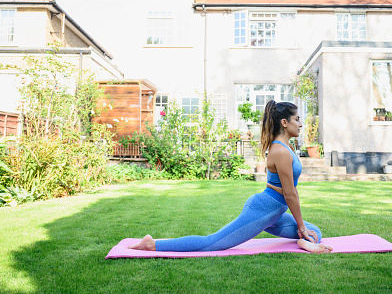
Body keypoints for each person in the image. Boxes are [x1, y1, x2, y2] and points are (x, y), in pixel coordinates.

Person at [129, 100, 332, 254]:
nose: (301, 124)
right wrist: (300, 225)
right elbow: (289, 193)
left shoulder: (288, 147)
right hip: (263, 209)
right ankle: (152, 243)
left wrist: (303, 227)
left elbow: (292, 191)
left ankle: (304, 241)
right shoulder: (280, 151)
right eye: (297, 119)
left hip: (275, 212)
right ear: (285, 122)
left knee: (315, 233)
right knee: (213, 243)